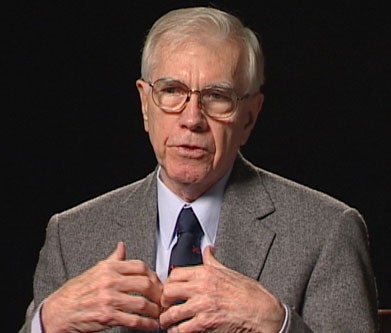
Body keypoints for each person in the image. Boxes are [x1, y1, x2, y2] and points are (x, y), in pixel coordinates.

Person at [20, 6, 378, 333]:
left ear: (249, 117)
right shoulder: (71, 235)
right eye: (172, 91)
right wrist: (45, 323)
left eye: (216, 96)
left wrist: (279, 325)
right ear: (146, 104)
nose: (192, 119)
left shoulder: (327, 232)